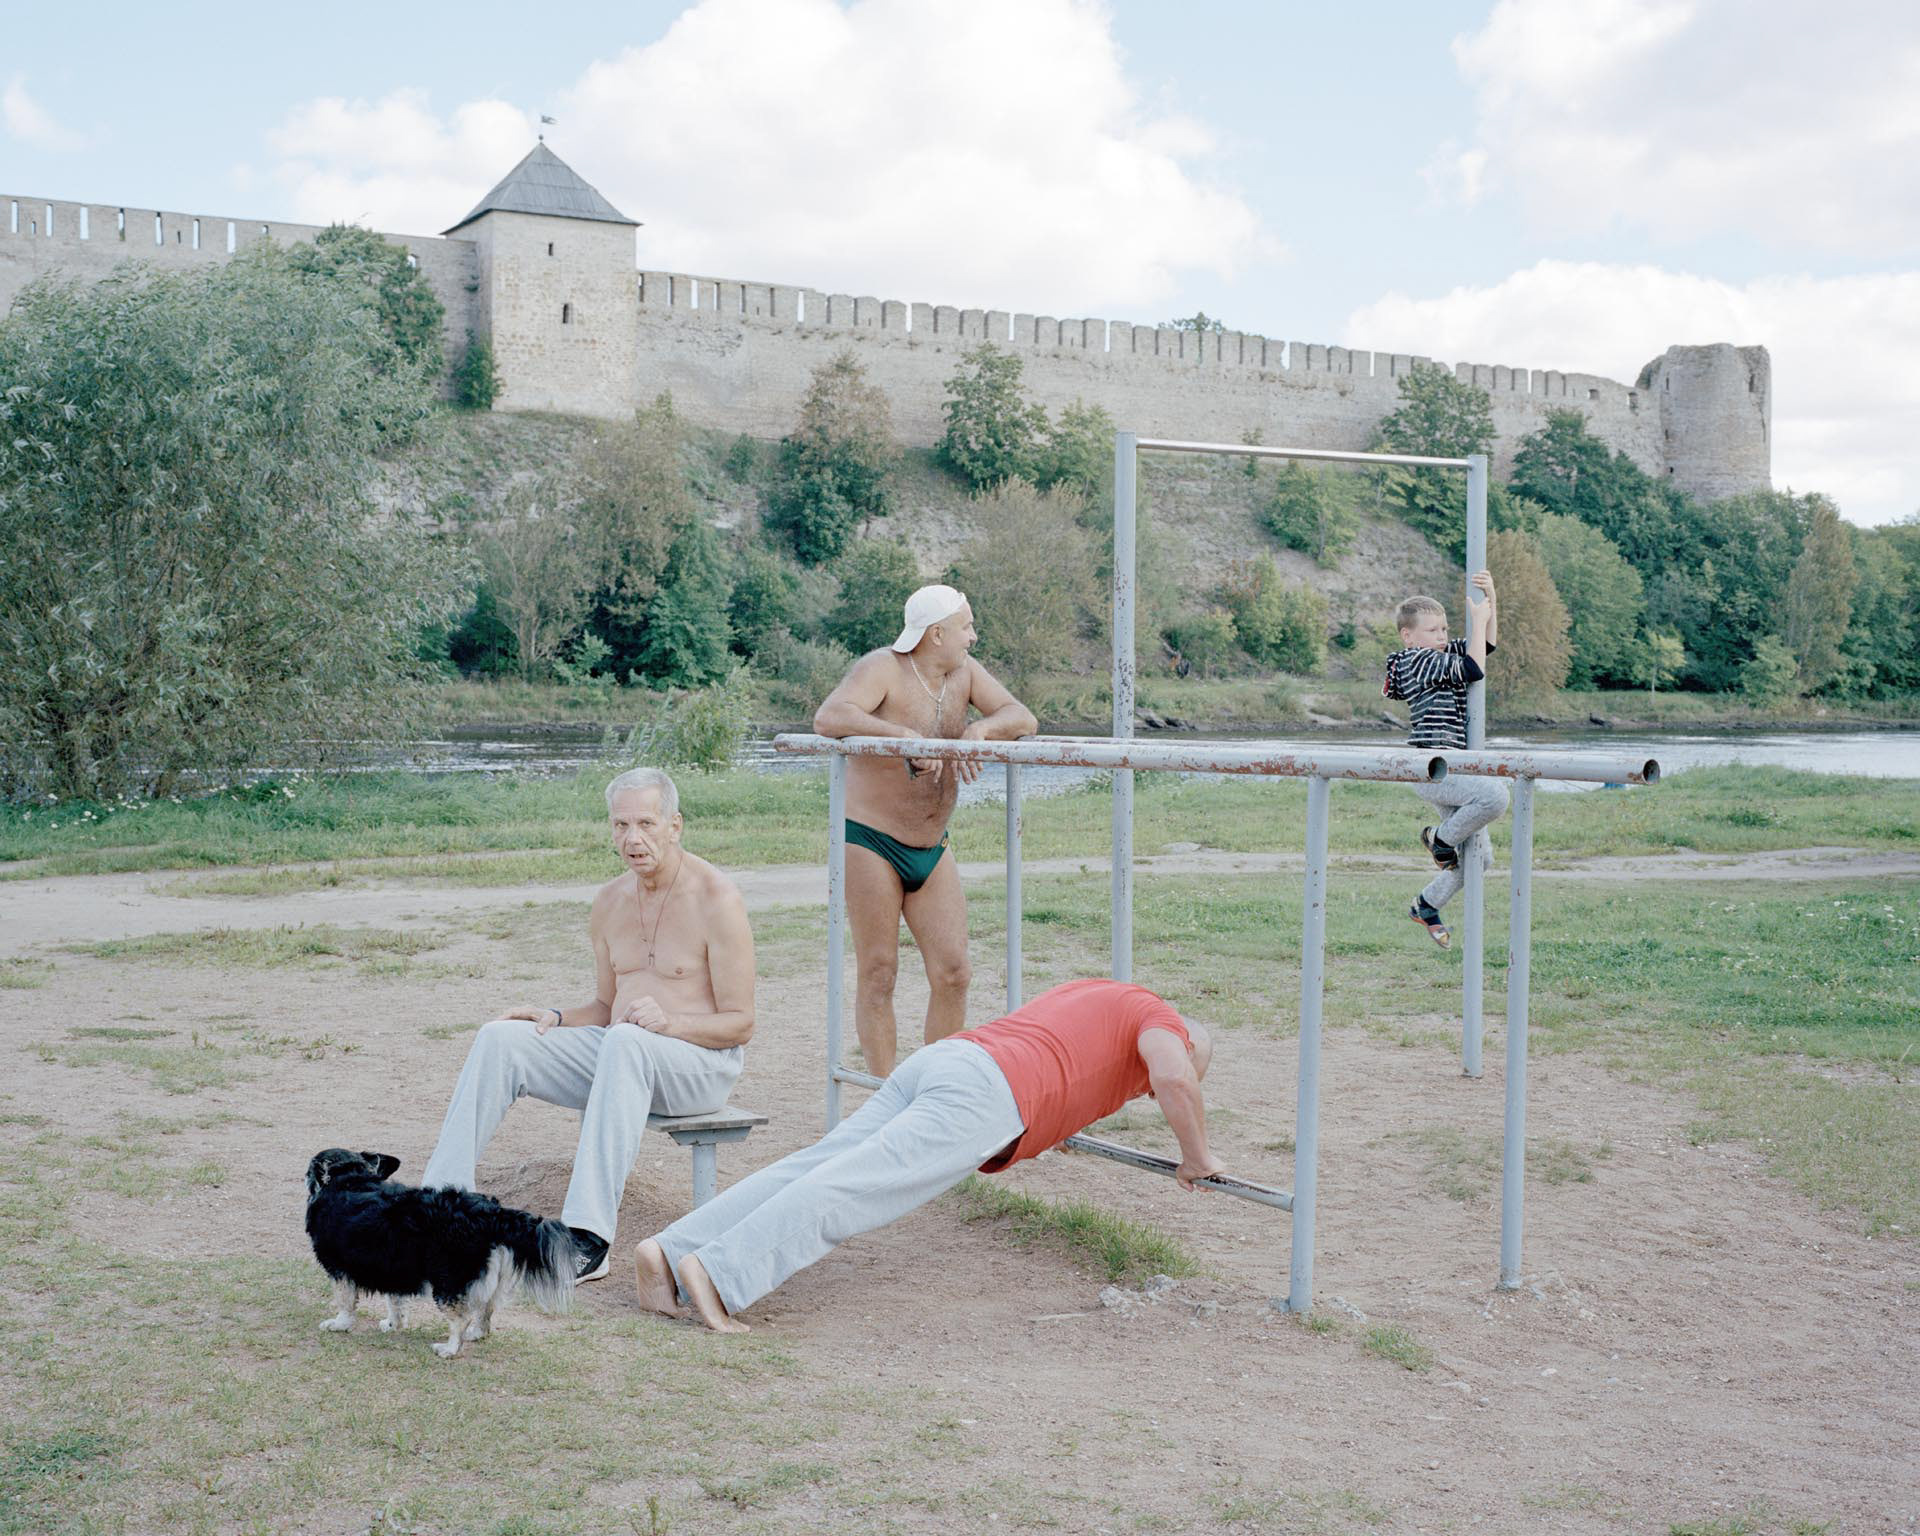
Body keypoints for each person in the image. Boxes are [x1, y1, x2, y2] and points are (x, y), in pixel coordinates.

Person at [633, 978, 1220, 1332]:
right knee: (853, 1189)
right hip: (983, 1094)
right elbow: (1174, 1077)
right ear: (1185, 1039)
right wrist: (1196, 1156)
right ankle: (719, 1274)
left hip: (947, 1060)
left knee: (816, 1164)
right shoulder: (1163, 1023)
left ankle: (671, 1249)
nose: (1145, 1091)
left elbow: (1065, 1059)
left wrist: (1057, 1121)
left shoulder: (1103, 993)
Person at [422, 768, 755, 1282]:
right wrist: (555, 1018)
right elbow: (606, 1005)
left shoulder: (717, 899)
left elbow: (740, 1025)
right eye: (621, 825)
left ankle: (587, 1239)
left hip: (699, 1067)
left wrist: (670, 1022)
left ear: (675, 825)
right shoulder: (609, 902)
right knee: (502, 1038)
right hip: (626, 1053)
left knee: (627, 1040)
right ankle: (438, 1204)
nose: (633, 838)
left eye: (646, 822)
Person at [812, 583, 1037, 1077]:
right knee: (879, 972)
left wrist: (981, 730)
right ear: (937, 634)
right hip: (871, 838)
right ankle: (884, 1093)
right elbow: (829, 717)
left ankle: (936, 1093)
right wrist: (901, 738)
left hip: (932, 845)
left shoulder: (964, 673)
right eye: (966, 626)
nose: (973, 637)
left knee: (954, 973)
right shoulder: (883, 668)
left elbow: (1022, 716)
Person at [1382, 572, 1507, 947]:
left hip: (1456, 767)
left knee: (1479, 861)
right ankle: (1439, 839)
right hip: (1434, 767)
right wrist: (1481, 618)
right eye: (1434, 630)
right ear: (1409, 636)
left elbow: (1485, 647)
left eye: (1444, 629)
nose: (1442, 636)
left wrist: (1491, 599)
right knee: (1495, 797)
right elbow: (1473, 669)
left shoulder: (1436, 653)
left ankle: (1426, 905)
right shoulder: (1416, 661)